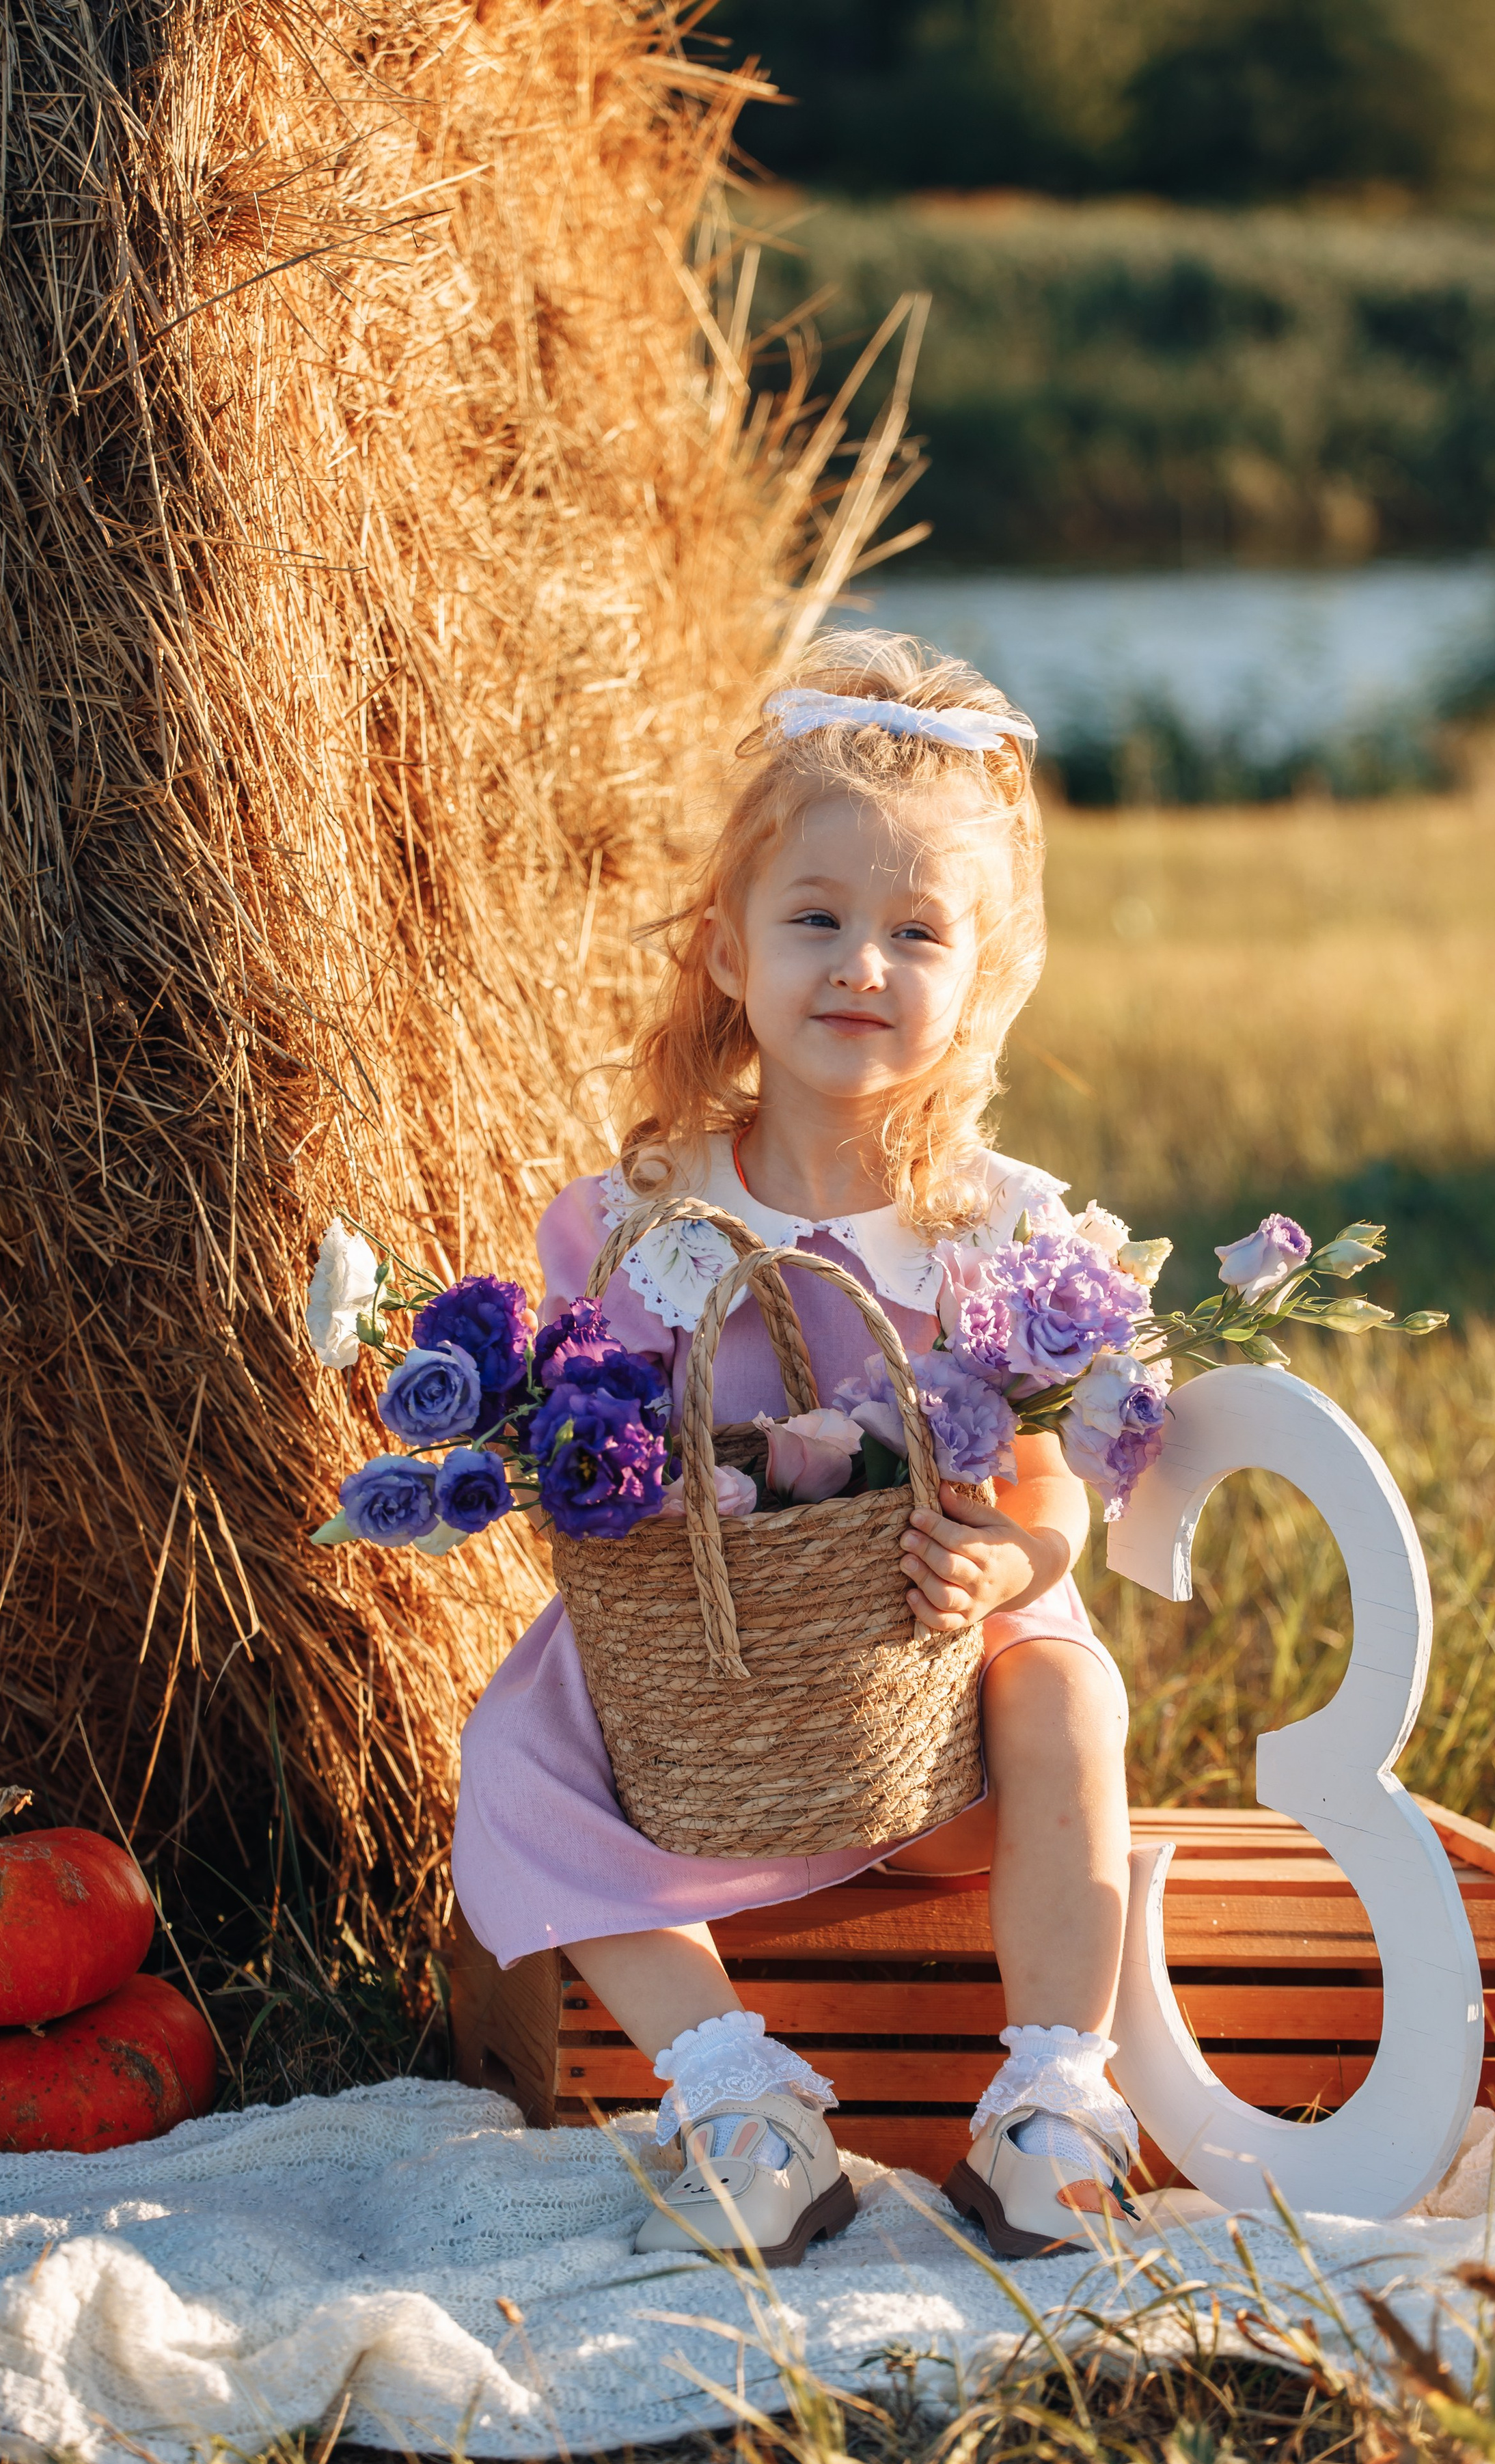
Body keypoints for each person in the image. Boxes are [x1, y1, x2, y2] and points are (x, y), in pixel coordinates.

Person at [450, 632, 1140, 2264]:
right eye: (815, 919)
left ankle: (1051, 2100)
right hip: (717, 1693)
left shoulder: (999, 1230)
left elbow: (1049, 1495)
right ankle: (734, 2094)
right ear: (727, 949)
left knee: (1069, 1684)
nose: (860, 965)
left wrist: (1010, 1559)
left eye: (916, 933)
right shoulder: (633, 1218)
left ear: (978, 980)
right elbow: (599, 1461)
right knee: (513, 1746)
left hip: (934, 1680)